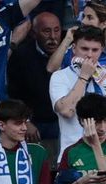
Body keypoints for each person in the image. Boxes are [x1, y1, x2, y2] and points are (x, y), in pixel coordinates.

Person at [49, 25, 106, 151]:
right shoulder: (60, 77)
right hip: (73, 153)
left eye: (95, 50)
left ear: (101, 50)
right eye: (84, 49)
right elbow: (66, 111)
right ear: (74, 48)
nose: (89, 55)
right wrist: (84, 77)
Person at [54, 92, 106, 184]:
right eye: (97, 122)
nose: (103, 128)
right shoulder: (70, 152)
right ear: (82, 121)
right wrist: (80, 183)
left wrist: (95, 145)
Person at [7, 10, 65, 141]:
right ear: (34, 34)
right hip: (35, 123)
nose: (53, 37)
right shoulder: (21, 56)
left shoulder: (68, 49)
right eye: (46, 31)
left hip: (63, 120)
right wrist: (25, 120)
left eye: (57, 30)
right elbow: (14, 94)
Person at [47, 2, 106, 84]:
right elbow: (51, 68)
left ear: (104, 24)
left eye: (89, 17)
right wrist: (67, 40)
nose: (83, 21)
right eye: (83, 16)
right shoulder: (73, 49)